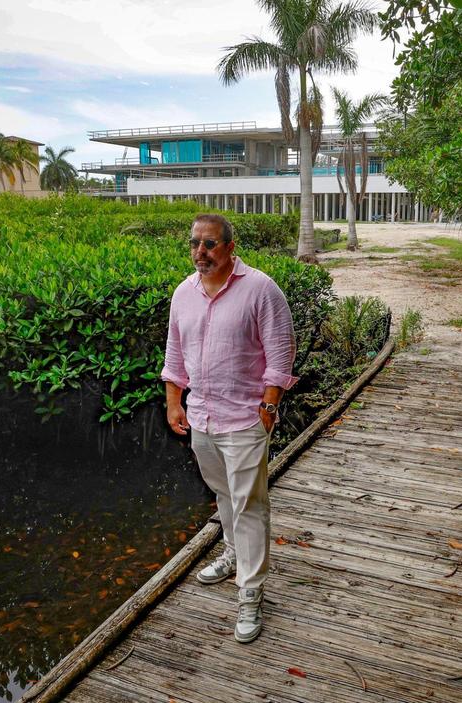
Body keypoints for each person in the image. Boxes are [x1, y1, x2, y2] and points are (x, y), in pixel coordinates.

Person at [161, 213, 297, 644]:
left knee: (250, 504)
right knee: (223, 495)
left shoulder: (260, 289)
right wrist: (174, 401)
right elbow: (174, 354)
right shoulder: (183, 293)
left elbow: (280, 352)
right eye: (195, 243)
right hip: (201, 416)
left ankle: (251, 592)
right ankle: (234, 555)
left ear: (230, 247)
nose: (200, 251)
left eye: (210, 244)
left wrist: (269, 406)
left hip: (244, 418)